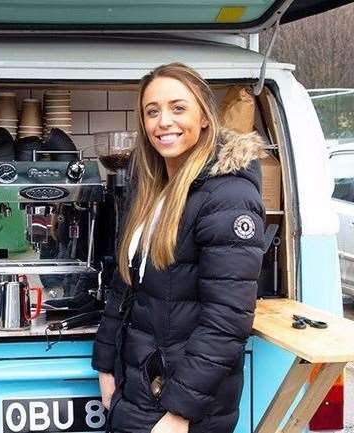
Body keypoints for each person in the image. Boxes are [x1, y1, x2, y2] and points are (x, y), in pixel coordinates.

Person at [92, 63, 266, 433]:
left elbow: (226, 321)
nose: (163, 122)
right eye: (152, 111)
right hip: (141, 389)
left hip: (183, 407)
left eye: (178, 108)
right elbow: (126, 285)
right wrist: (105, 365)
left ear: (205, 116)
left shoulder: (229, 196)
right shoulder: (153, 190)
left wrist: (179, 413)